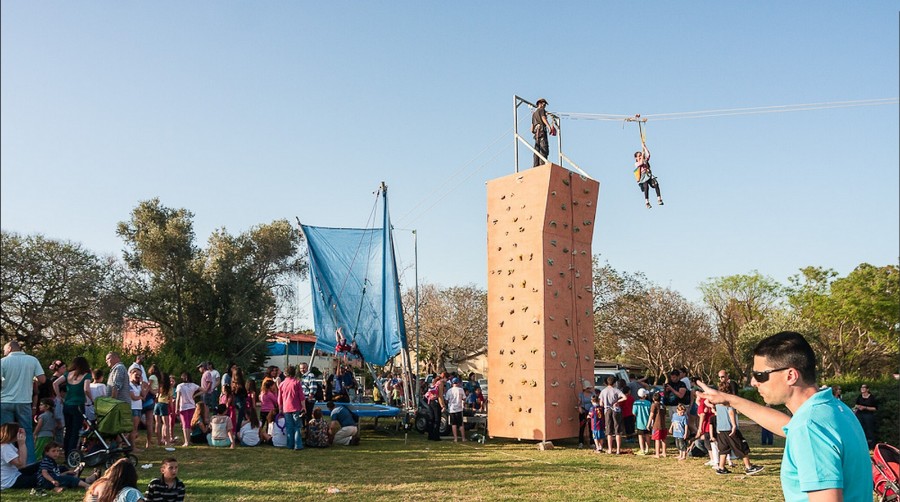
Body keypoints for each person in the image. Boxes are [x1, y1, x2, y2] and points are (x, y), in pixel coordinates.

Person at [698, 331, 871, 499]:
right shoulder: (833, 408)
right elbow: (788, 425)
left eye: (760, 375)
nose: (753, 382)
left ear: (791, 375)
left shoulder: (808, 427)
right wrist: (730, 400)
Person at [1, 340, 47, 463]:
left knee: (6, 433)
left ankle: (7, 460)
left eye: (4, 349)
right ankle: (30, 462)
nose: (4, 351)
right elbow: (42, 379)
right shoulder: (32, 360)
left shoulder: (3, 362)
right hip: (24, 401)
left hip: (5, 401)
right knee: (26, 432)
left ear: (10, 348)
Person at [711, 381, 763, 475]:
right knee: (741, 447)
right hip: (730, 429)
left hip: (721, 430)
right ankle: (748, 467)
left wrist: (718, 427)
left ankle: (721, 468)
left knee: (723, 449)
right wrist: (734, 425)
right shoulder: (729, 401)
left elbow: (717, 414)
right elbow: (731, 413)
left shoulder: (717, 402)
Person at [53, 356, 93, 456]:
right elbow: (86, 389)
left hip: (67, 405)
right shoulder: (86, 375)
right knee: (75, 431)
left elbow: (55, 383)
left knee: (68, 431)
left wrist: (59, 397)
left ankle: (66, 452)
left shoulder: (67, 374)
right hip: (78, 405)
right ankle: (72, 454)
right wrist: (92, 400)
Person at [0, 422, 39, 490]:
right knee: (42, 477)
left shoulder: (8, 445)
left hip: (16, 474)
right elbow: (21, 464)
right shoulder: (4, 447)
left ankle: (58, 471)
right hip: (10, 482)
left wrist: (22, 443)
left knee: (41, 464)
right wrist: (22, 444)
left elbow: (21, 456)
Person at [278, 365, 305, 451]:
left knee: (289, 426)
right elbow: (301, 396)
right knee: (297, 426)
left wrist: (280, 408)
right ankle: (298, 445)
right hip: (296, 407)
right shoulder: (297, 383)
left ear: (285, 373)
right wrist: (304, 406)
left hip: (286, 408)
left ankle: (290, 444)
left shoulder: (282, 384)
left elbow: (279, 398)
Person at [599, 376, 626, 454]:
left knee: (609, 431)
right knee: (617, 430)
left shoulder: (603, 391)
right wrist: (617, 401)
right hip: (616, 410)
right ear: (614, 383)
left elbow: (601, 403)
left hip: (607, 410)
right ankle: (618, 450)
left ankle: (610, 449)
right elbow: (624, 397)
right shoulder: (616, 390)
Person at [633, 135, 663, 208]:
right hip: (643, 177)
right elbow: (640, 163)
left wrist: (644, 147)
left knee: (655, 184)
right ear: (636, 158)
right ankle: (647, 202)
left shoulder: (645, 160)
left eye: (641, 155)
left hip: (648, 174)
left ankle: (659, 199)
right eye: (639, 156)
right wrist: (642, 154)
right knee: (646, 187)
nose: (640, 157)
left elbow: (648, 155)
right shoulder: (637, 163)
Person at [174, 373, 200, 448]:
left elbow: (178, 398)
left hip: (184, 406)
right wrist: (195, 395)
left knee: (185, 425)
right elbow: (203, 390)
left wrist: (176, 408)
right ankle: (189, 440)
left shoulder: (180, 386)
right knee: (189, 424)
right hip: (192, 405)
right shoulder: (193, 385)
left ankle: (186, 441)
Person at [127, 368, 149, 452]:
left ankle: (131, 445)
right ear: (131, 374)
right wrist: (140, 397)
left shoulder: (137, 385)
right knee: (133, 428)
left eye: (139, 375)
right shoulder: (129, 385)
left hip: (139, 408)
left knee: (135, 428)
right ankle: (132, 446)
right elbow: (133, 397)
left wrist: (142, 384)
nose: (138, 376)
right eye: (136, 375)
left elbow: (144, 395)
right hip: (133, 408)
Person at [531, 98, 553, 167]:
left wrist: (536, 130)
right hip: (542, 132)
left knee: (537, 151)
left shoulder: (534, 114)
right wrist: (549, 127)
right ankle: (542, 166)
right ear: (540, 104)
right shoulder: (541, 110)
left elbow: (531, 129)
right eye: (544, 104)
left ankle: (536, 166)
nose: (545, 106)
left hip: (537, 135)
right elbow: (543, 118)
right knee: (544, 150)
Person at [425, 373, 447, 441]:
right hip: (436, 402)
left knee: (431, 419)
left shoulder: (434, 382)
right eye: (447, 378)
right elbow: (440, 396)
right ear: (444, 377)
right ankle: (436, 436)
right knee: (437, 419)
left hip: (430, 401)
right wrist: (443, 406)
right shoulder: (440, 383)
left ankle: (430, 435)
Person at [855, 384, 877, 449]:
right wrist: (858, 407)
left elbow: (875, 408)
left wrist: (865, 407)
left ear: (867, 389)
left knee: (869, 430)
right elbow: (856, 405)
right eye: (861, 387)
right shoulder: (859, 396)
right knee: (861, 429)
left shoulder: (871, 397)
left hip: (868, 415)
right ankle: (862, 445)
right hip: (860, 415)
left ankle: (871, 446)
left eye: (864, 387)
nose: (862, 388)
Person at [445, 378, 466, 442]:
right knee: (460, 424)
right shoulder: (461, 390)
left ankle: (455, 438)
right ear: (458, 383)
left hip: (452, 409)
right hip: (459, 408)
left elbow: (446, 400)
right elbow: (464, 398)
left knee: (453, 424)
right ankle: (463, 438)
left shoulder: (449, 391)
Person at [154, 373, 172, 447]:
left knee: (157, 423)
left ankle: (159, 441)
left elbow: (156, 395)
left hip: (157, 404)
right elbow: (170, 399)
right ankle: (167, 442)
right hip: (164, 404)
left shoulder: (159, 386)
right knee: (166, 424)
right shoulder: (169, 387)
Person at [632, 388, 651, 456]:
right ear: (645, 395)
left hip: (639, 423)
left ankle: (642, 449)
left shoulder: (636, 403)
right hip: (647, 422)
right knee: (647, 436)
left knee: (640, 436)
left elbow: (634, 413)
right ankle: (647, 449)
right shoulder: (648, 403)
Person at [648, 392, 666, 458]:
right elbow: (664, 416)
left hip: (656, 425)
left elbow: (651, 415)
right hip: (663, 425)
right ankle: (664, 452)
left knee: (657, 439)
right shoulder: (663, 406)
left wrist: (648, 424)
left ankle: (657, 454)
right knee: (663, 439)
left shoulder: (654, 405)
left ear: (653, 399)